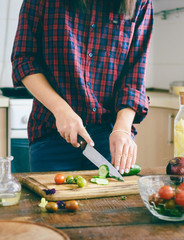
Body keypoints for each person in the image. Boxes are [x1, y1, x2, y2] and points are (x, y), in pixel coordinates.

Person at [11, 0, 153, 173]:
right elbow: (24, 60)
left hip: (110, 136)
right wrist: (61, 110)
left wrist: (123, 128)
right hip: (52, 134)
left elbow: (134, 75)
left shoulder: (141, 3)